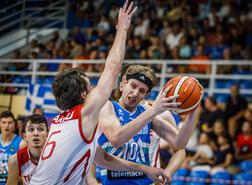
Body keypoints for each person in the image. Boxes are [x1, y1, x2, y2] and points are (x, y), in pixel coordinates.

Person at [30, 2, 170, 184]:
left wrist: (144, 169)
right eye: (90, 87)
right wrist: (123, 29)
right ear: (83, 95)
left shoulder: (62, 122)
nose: (94, 90)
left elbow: (104, 159)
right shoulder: (84, 114)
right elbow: (113, 67)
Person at [98, 64, 203, 184]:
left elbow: (179, 144)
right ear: (123, 83)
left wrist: (194, 110)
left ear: (146, 95)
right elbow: (116, 138)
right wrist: (153, 111)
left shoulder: (148, 114)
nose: (136, 93)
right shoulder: (107, 107)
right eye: (133, 86)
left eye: (142, 91)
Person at [6, 114, 49, 185]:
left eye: (40, 129)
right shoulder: (15, 161)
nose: (36, 133)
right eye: (31, 129)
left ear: (47, 135)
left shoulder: (56, 156)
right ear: (25, 136)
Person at [0, 111, 27, 185]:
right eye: (4, 122)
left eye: (9, 122)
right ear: (0, 124)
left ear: (15, 125)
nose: (6, 125)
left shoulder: (22, 144)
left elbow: (24, 173)